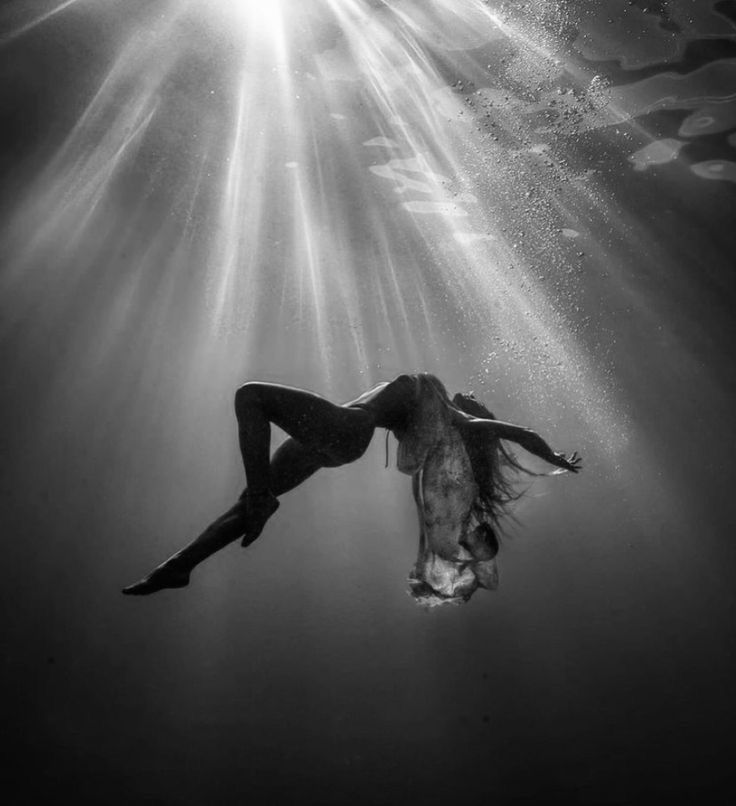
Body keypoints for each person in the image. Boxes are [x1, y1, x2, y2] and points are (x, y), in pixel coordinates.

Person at [122, 373, 580, 595]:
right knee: (247, 500)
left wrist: (554, 456)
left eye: (473, 402)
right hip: (328, 442)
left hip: (346, 431)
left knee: (251, 397)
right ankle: (179, 566)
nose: (468, 396)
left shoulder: (451, 413)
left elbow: (515, 432)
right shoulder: (438, 407)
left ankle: (261, 501)